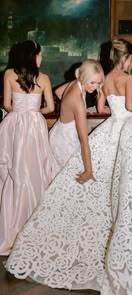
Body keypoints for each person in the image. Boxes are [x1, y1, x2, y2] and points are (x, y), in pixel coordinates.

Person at [5, 39, 132, 295]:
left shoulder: (101, 79)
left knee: (112, 180)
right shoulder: (127, 79)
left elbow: (102, 106)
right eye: (93, 84)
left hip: (109, 128)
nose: (95, 86)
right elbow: (126, 108)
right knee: (130, 180)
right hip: (126, 125)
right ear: (126, 60)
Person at [0, 40, 59, 255]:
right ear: (33, 56)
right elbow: (51, 107)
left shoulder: (8, 74)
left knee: (13, 172)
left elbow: (6, 104)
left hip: (14, 125)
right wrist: (33, 113)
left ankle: (12, 227)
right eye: (40, 55)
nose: (41, 58)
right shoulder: (43, 78)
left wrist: (20, 112)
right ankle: (36, 225)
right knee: (36, 171)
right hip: (35, 127)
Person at [49, 59, 105, 178]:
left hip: (58, 132)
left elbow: (58, 92)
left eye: (98, 83)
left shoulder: (75, 83)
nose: (95, 87)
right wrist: (89, 171)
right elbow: (84, 141)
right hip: (65, 142)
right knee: (72, 179)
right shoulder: (78, 102)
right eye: (92, 82)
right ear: (84, 77)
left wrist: (70, 110)